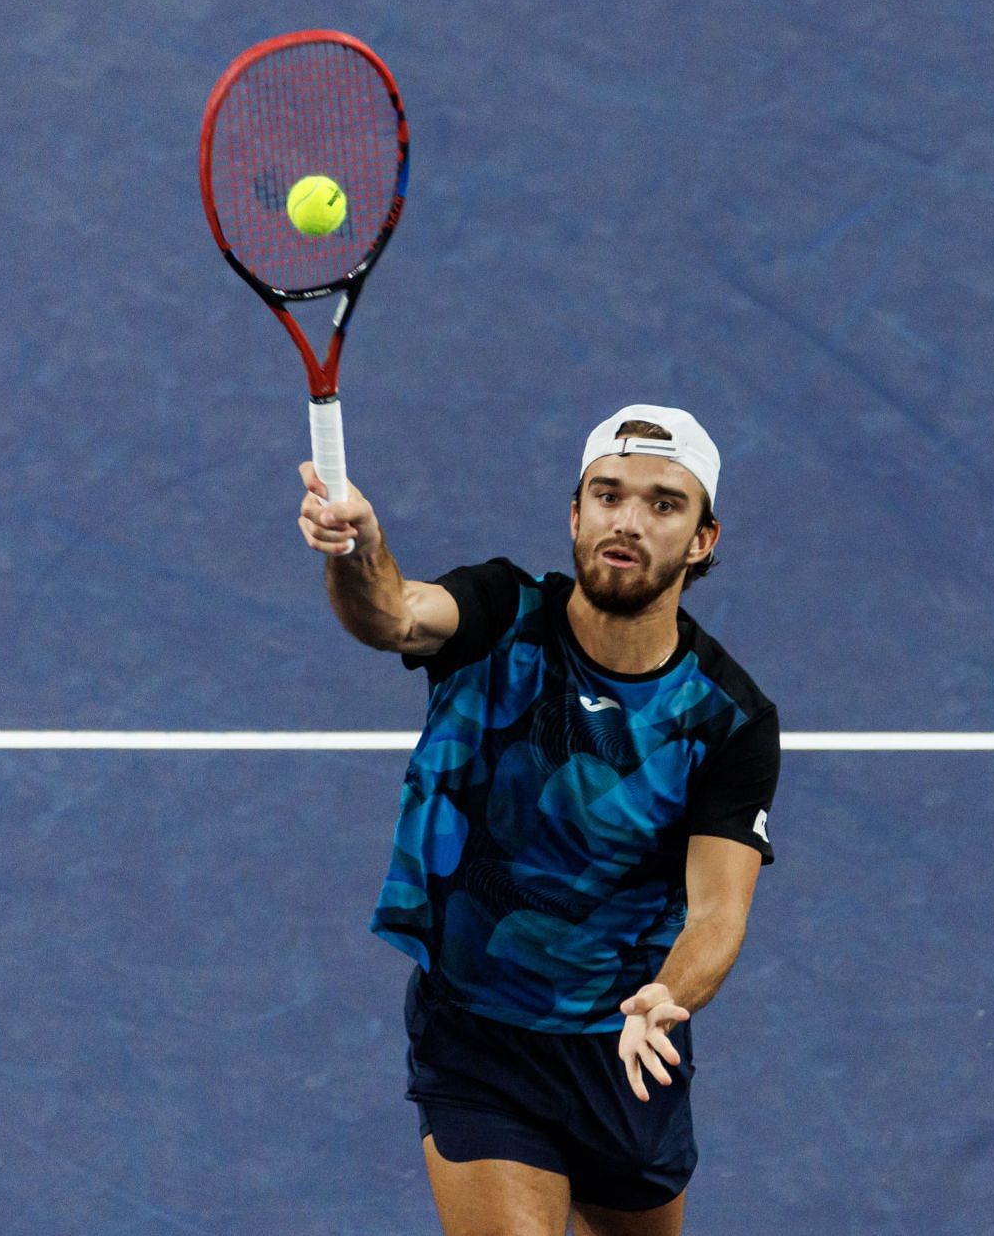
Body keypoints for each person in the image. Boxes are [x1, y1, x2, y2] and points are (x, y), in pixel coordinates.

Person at [297, 404, 780, 1236]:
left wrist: (667, 996)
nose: (627, 520)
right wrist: (359, 551)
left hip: (625, 1046)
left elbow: (717, 910)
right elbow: (393, 615)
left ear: (703, 539)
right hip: (479, 1033)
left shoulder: (727, 718)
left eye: (664, 503)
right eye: (607, 494)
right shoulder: (497, 614)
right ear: (575, 513)